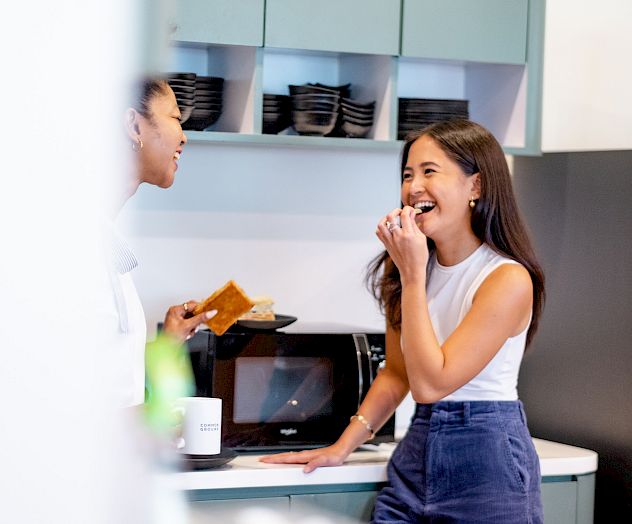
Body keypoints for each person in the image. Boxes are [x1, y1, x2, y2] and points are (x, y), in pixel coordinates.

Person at [261, 119, 545, 523]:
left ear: (475, 187)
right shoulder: (411, 269)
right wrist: (343, 446)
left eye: (430, 172)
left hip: (488, 456)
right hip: (418, 450)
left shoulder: (506, 279)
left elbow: (430, 384)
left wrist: (412, 274)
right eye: (408, 175)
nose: (413, 188)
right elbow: (397, 373)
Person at [103, 77, 214, 407]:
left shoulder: (108, 244)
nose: (184, 137)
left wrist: (170, 342)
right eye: (176, 118)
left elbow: (115, 374)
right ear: (134, 126)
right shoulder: (70, 242)